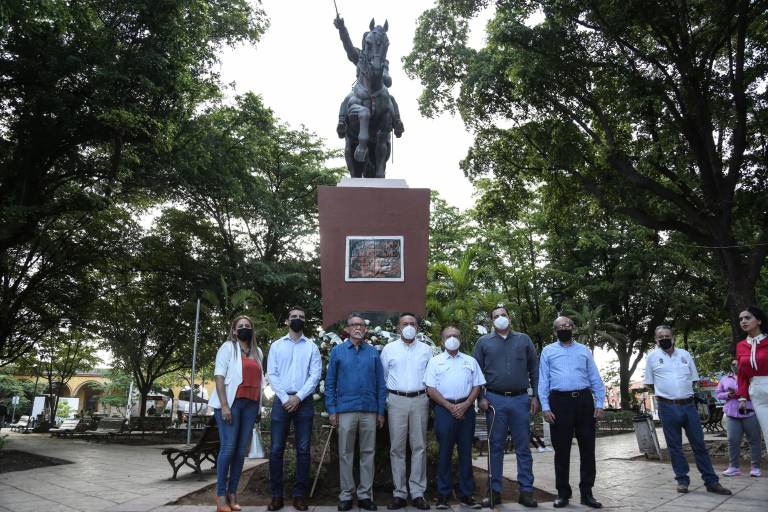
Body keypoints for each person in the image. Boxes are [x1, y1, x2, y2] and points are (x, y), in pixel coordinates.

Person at [644, 325, 731, 495]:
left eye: (667, 335)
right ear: (656, 339)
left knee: (699, 444)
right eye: (660, 337)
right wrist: (667, 395)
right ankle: (682, 481)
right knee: (674, 447)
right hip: (667, 407)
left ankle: (711, 482)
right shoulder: (652, 358)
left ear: (673, 337)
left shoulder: (685, 355)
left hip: (689, 406)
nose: (664, 339)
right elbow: (650, 383)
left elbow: (693, 379)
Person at [473, 306, 539, 508]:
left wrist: (535, 396)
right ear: (491, 321)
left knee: (523, 447)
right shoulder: (483, 342)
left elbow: (535, 370)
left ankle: (526, 491)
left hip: (521, 400)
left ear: (510, 318)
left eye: (503, 315)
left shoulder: (524, 340)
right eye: (496, 316)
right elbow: (476, 372)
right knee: (496, 447)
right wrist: (481, 397)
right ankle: (494, 492)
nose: (500, 318)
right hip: (494, 401)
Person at [539, 316, 605, 509]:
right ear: (554, 331)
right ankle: (563, 493)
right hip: (559, 402)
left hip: (584, 402)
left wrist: (599, 403)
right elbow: (543, 380)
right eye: (560, 327)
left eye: (567, 325)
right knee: (561, 452)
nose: (564, 328)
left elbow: (595, 377)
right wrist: (545, 406)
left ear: (573, 329)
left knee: (588, 449)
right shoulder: (548, 351)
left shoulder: (584, 350)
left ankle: (587, 493)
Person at [325, 313, 387, 511]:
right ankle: (345, 495)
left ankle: (364, 495)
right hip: (345, 410)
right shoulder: (338, 352)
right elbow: (330, 383)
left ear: (365, 329)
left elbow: (380, 384)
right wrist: (332, 410)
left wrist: (380, 411)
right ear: (348, 329)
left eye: (360, 325)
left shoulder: (373, 353)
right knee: (345, 453)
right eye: (353, 325)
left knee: (368, 453)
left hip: (369, 410)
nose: (357, 328)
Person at [267, 306, 322, 511]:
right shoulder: (276, 346)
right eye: (293, 317)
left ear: (305, 321)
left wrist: (298, 397)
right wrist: (285, 397)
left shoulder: (312, 347)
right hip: (281, 402)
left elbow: (314, 375)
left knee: (303, 450)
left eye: (301, 317)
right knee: (275, 450)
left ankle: (299, 496)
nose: (297, 319)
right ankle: (276, 496)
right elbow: (272, 374)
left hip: (304, 401)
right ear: (287, 320)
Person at [425, 326, 486, 510]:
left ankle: (467, 494)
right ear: (442, 341)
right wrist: (449, 406)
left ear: (461, 338)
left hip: (466, 411)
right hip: (445, 410)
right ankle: (443, 495)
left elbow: (477, 385)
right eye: (448, 336)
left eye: (456, 336)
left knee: (466, 453)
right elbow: (430, 388)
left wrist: (466, 404)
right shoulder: (435, 362)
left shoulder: (470, 361)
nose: (452, 338)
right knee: (445, 452)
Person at [209, 315, 265, 512]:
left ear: (252, 330)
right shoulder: (227, 348)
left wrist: (260, 406)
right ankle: (221, 496)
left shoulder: (258, 352)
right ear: (234, 331)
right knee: (229, 448)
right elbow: (219, 376)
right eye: (240, 326)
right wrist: (224, 405)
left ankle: (233, 494)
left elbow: (260, 381)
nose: (244, 328)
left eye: (247, 326)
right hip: (230, 404)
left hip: (250, 405)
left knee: (241, 451)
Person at [379, 313, 433, 510]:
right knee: (397, 448)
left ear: (417, 328)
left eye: (412, 323)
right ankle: (400, 493)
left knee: (419, 446)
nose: (409, 326)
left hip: (420, 399)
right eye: (405, 323)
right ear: (397, 328)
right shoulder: (388, 349)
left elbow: (431, 377)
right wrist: (389, 399)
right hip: (396, 400)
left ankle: (418, 492)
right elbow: (383, 376)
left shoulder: (427, 350)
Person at [333, 16, 404, 138]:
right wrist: (342, 29)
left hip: (378, 89)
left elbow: (388, 79)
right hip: (361, 88)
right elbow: (347, 45)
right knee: (347, 99)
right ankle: (342, 122)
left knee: (391, 99)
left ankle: (397, 122)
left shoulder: (383, 62)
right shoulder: (359, 57)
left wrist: (384, 75)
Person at [715, 358, 762, 477]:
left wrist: (746, 395)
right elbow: (718, 394)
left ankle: (755, 467)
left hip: (750, 413)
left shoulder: (752, 378)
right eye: (733, 364)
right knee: (732, 441)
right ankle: (734, 467)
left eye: (738, 364)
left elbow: (760, 392)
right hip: (732, 414)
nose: (736, 366)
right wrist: (727, 395)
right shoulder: (725, 379)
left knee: (754, 441)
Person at [735, 305, 768, 442]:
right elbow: (742, 374)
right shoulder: (740, 345)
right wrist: (742, 397)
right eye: (741, 319)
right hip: (756, 391)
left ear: (759, 321)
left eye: (747, 318)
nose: (743, 321)